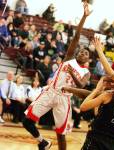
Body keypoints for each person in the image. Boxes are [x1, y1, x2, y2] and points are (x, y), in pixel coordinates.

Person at [22, 2, 92, 150]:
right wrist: (84, 17)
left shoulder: (86, 72)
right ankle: (43, 142)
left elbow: (81, 86)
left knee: (61, 135)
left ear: (88, 59)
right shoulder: (69, 58)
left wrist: (72, 73)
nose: (82, 53)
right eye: (81, 51)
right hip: (50, 92)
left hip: (64, 99)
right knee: (27, 121)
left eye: (86, 53)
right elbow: (77, 36)